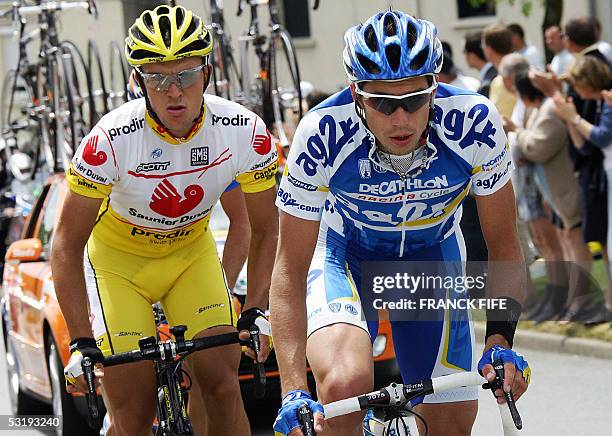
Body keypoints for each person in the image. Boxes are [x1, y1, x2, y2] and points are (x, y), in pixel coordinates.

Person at [270, 10, 530, 436]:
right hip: (344, 253)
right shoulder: (320, 132)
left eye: (414, 100)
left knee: (451, 422)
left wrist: (500, 341)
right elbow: (289, 267)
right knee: (343, 386)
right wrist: (294, 388)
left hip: (429, 259)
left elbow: (503, 242)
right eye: (383, 103)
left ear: (435, 87)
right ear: (356, 94)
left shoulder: (474, 123)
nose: (401, 119)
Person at [51, 5, 278, 436]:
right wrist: (81, 342)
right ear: (137, 82)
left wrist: (255, 309)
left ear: (207, 75)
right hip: (120, 269)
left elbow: (265, 228)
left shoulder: (243, 131)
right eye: (157, 77)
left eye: (186, 75)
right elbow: (65, 244)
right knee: (132, 412)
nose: (174, 91)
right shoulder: (110, 140)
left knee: (223, 385)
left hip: (191, 258)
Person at [507, 72, 593, 322]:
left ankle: (580, 302)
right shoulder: (541, 109)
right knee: (564, 243)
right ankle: (570, 301)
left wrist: (516, 131)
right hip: (552, 191)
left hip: (565, 189)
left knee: (574, 243)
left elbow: (538, 148)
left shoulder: (549, 110)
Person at [553, 55, 612, 322]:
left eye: (577, 85)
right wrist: (570, 119)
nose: (576, 92)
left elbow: (601, 137)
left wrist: (574, 118)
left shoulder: (607, 99)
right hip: (600, 177)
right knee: (603, 241)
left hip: (604, 177)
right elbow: (584, 146)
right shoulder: (599, 102)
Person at [463, 30, 497, 97]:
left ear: (472, 55)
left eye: (464, 51)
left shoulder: (487, 84)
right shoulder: (494, 73)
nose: (464, 56)